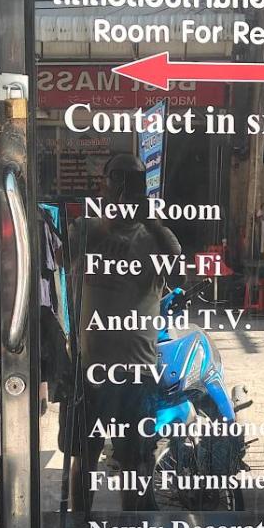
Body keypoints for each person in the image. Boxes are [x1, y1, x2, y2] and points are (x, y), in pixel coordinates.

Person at [63, 153, 182, 510]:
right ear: (103, 186)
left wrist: (153, 222)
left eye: (133, 183)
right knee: (84, 457)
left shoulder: (156, 237)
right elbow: (57, 257)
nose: (123, 191)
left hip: (137, 372)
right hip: (89, 367)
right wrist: (106, 222)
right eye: (117, 180)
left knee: (136, 462)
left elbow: (178, 275)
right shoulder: (86, 230)